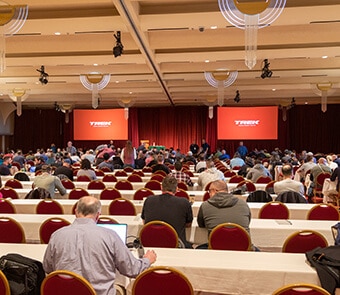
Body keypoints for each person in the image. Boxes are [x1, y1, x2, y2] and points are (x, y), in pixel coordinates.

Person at [43, 196, 156, 295]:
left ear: (76, 212)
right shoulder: (110, 236)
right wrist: (147, 260)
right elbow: (132, 270)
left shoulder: (57, 235)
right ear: (98, 215)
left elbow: (48, 268)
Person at [141, 175, 193, 248]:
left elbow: (144, 222)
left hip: (150, 244)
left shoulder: (149, 200)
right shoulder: (184, 202)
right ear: (177, 189)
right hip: (176, 245)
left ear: (161, 187)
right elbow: (188, 224)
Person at [197, 180, 252, 248]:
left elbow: (201, 225)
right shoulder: (243, 204)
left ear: (214, 191)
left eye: (209, 191)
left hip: (215, 248)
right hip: (244, 248)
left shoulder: (205, 206)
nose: (209, 194)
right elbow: (248, 222)